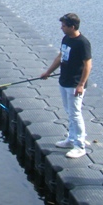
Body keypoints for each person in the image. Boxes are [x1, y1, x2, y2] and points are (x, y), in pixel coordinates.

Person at [40, 13, 92, 159]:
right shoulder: (66, 38)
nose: (61, 28)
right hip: (64, 80)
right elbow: (60, 56)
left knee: (75, 113)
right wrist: (48, 72)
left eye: (64, 25)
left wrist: (81, 84)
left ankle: (80, 145)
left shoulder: (82, 42)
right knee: (69, 111)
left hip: (75, 84)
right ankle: (71, 138)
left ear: (72, 27)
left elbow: (88, 64)